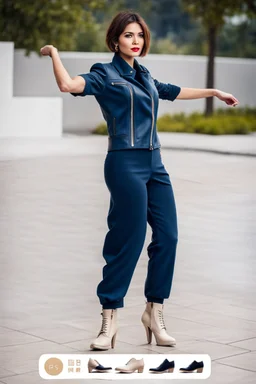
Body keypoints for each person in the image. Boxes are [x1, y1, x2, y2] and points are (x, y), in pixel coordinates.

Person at [40, 11, 239, 351]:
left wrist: (215, 92)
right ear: (116, 39)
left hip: (155, 164)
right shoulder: (105, 74)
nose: (136, 41)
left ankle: (154, 311)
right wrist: (54, 54)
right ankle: (109, 318)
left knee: (169, 236)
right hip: (124, 163)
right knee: (127, 240)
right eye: (129, 35)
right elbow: (68, 85)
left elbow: (175, 91)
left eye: (140, 36)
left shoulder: (145, 76)